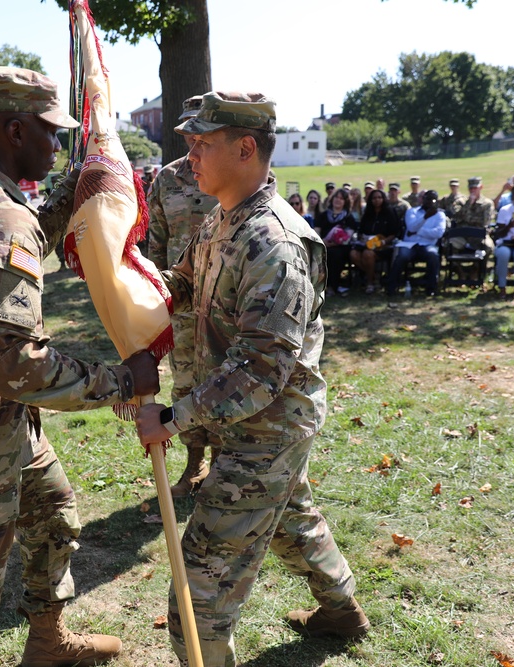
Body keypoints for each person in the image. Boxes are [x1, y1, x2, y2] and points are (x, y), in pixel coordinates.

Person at [0, 66, 159, 667]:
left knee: (52, 514)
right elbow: (17, 367)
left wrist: (74, 191)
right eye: (50, 133)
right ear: (15, 130)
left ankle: (47, 642)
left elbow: (13, 244)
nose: (59, 145)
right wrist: (123, 379)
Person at [136, 91, 368, 667]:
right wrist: (130, 287)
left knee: (198, 590)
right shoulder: (223, 218)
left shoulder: (274, 243)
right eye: (188, 142)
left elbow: (262, 369)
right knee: (290, 520)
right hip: (243, 416)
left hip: (268, 427)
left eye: (202, 143)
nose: (189, 154)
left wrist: (172, 419)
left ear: (245, 148)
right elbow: (182, 283)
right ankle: (340, 610)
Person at [147, 93, 222, 498]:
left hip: (226, 304)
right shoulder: (168, 178)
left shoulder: (232, 175)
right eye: (188, 132)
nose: (195, 141)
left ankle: (224, 466)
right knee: (186, 384)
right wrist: (158, 295)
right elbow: (155, 244)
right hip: (181, 302)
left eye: (203, 131)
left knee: (224, 382)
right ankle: (194, 463)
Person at [387, 189, 447, 298]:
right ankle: (392, 286)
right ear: (422, 199)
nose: (430, 202)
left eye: (433, 199)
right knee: (402, 256)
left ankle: (431, 288)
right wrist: (425, 218)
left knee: (433, 255)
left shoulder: (440, 215)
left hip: (428, 245)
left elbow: (438, 233)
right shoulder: (412, 211)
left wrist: (417, 231)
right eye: (428, 199)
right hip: (410, 244)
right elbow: (411, 227)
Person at [350, 187, 403, 293]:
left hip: (384, 243)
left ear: (383, 199)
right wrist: (363, 237)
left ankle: (370, 283)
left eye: (379, 197)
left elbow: (394, 232)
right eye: (374, 198)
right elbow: (361, 230)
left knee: (367, 254)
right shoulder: (368, 213)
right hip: (367, 242)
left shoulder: (390, 212)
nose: (377, 200)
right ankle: (375, 278)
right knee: (353, 254)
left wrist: (384, 241)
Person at [450, 176, 496, 281]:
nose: (473, 191)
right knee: (448, 246)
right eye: (471, 189)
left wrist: (466, 218)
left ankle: (475, 271)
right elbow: (456, 218)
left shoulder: (487, 203)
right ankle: (460, 273)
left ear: (481, 187)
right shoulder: (460, 201)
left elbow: (485, 221)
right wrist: (468, 205)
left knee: (488, 247)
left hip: (479, 236)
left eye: (475, 188)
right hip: (461, 236)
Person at [315, 188, 357, 296]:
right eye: (336, 197)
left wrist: (335, 242)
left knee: (335, 254)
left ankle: (332, 286)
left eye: (341, 198)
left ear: (345, 202)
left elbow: (348, 236)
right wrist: (323, 241)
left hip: (341, 247)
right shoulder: (323, 216)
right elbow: (316, 233)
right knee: (323, 253)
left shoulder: (348, 218)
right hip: (323, 245)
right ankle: (320, 286)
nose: (338, 200)